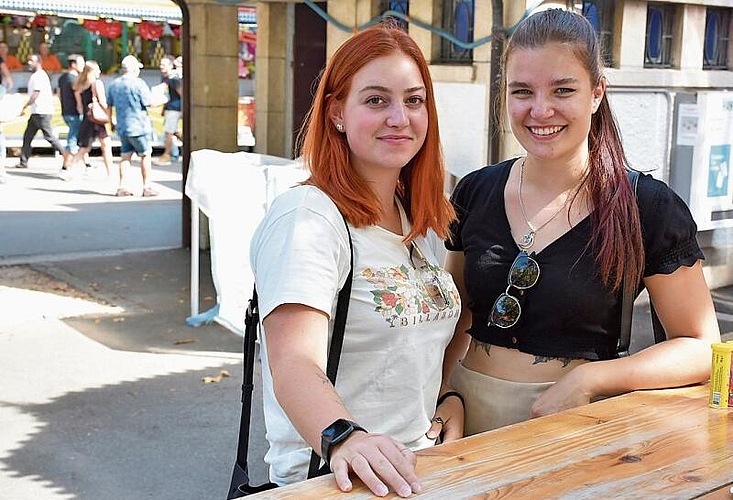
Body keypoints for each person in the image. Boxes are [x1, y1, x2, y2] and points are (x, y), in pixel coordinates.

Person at [442, 8, 721, 437]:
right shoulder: (474, 192)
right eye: (522, 91)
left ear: (596, 93)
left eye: (562, 90)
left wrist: (590, 379)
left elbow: (700, 347)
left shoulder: (647, 207)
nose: (540, 110)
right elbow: (457, 318)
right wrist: (444, 395)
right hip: (466, 423)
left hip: (575, 427)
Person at [249, 24, 461, 498]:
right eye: (376, 100)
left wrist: (445, 399)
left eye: (413, 100)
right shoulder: (308, 217)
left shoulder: (418, 221)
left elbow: (417, 352)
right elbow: (294, 362)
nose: (399, 117)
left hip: (418, 470)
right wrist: (344, 437)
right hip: (337, 479)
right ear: (338, 114)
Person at [106, 55, 157, 197]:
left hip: (123, 125)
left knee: (125, 157)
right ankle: (147, 187)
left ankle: (122, 186)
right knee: (145, 155)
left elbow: (108, 105)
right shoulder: (138, 83)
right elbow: (148, 102)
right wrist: (161, 100)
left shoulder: (114, 84)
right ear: (134, 69)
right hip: (139, 125)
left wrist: (111, 122)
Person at [15, 54, 68, 169]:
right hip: (37, 111)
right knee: (28, 136)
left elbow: (36, 93)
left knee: (49, 136)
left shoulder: (39, 76)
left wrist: (25, 105)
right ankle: (23, 161)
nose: (29, 63)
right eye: (28, 60)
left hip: (41, 111)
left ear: (38, 62)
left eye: (31, 61)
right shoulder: (37, 75)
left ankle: (66, 155)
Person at [64, 61, 113, 179]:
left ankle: (69, 168)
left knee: (85, 147)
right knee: (105, 146)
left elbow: (80, 105)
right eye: (98, 69)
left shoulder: (81, 85)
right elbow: (102, 102)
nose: (100, 72)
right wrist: (109, 115)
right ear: (92, 71)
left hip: (88, 118)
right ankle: (110, 173)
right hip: (97, 119)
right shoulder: (97, 84)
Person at [57, 53, 85, 170]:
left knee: (78, 136)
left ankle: (84, 163)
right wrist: (80, 107)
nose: (82, 66)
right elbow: (77, 93)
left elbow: (59, 94)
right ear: (73, 65)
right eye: (81, 63)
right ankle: (66, 165)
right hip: (74, 112)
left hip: (66, 111)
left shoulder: (62, 78)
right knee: (73, 138)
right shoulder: (74, 79)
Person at [154, 55, 182, 165]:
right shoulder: (165, 79)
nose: (161, 67)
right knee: (172, 131)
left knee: (169, 132)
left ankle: (167, 154)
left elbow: (181, 93)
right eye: (160, 64)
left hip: (175, 108)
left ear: (171, 66)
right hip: (169, 107)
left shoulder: (174, 79)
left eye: (164, 65)